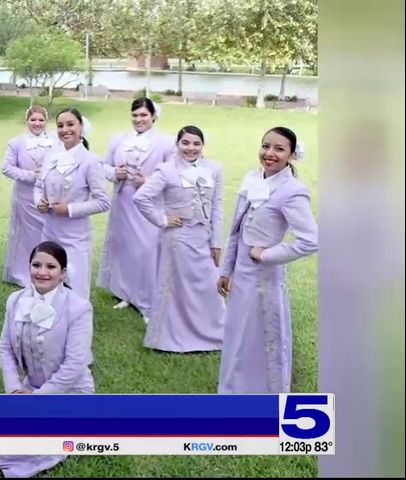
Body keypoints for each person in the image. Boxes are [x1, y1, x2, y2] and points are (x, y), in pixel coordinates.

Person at [217, 126, 318, 393]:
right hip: (240, 277)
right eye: (265, 146)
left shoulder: (292, 191)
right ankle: (232, 390)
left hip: (263, 281)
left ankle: (259, 392)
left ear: (292, 155)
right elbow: (236, 230)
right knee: (237, 337)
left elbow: (311, 240)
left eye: (279, 148)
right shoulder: (253, 178)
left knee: (259, 339)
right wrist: (226, 270)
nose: (269, 153)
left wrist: (267, 254)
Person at [0, 241, 94, 478]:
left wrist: (38, 398)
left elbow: (75, 364)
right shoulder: (15, 300)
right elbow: (5, 347)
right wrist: (15, 390)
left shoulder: (79, 308)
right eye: (36, 265)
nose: (42, 272)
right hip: (28, 391)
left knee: (12, 451)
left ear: (63, 273)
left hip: (68, 394)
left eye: (51, 267)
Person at [132, 126, 225, 352]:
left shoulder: (214, 168)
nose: (191, 148)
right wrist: (162, 219)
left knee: (208, 285)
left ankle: (213, 331)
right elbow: (141, 197)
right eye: (185, 143)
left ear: (203, 145)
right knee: (176, 288)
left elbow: (217, 207)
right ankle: (172, 337)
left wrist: (216, 242)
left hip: (203, 238)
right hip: (177, 238)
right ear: (178, 144)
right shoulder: (166, 170)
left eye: (196, 143)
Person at [97, 97, 175, 323]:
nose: (139, 119)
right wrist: (114, 173)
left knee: (147, 250)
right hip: (123, 201)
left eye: (143, 115)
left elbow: (174, 174)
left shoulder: (166, 143)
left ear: (153, 116)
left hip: (149, 205)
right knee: (125, 249)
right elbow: (102, 166)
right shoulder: (118, 139)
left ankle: (148, 300)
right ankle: (126, 293)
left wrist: (149, 181)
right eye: (135, 115)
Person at [34, 108, 109, 299]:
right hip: (49, 232)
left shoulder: (91, 161)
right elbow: (38, 186)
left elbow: (103, 202)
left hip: (75, 237)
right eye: (60, 125)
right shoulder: (51, 156)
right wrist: (39, 202)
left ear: (81, 127)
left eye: (70, 124)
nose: (65, 129)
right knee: (46, 282)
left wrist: (70, 209)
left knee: (74, 286)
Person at [2, 106, 53, 288]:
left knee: (46, 234)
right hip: (24, 198)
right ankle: (22, 273)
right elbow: (6, 168)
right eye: (33, 120)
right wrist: (31, 175)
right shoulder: (16, 143)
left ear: (47, 121)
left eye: (41, 120)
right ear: (27, 121)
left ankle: (47, 271)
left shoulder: (56, 141)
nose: (37, 123)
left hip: (48, 198)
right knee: (25, 236)